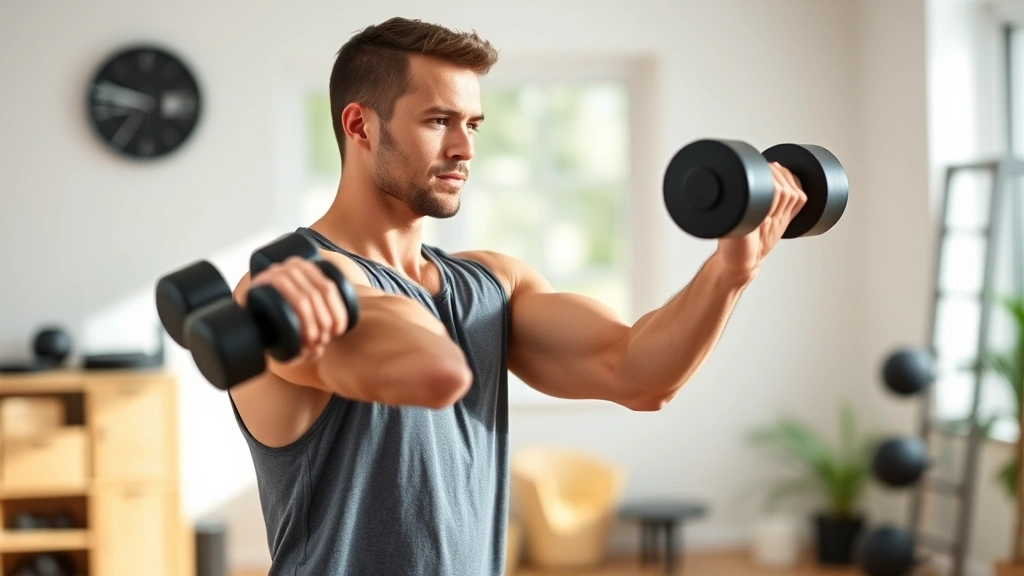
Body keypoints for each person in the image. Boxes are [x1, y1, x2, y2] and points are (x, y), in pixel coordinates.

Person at [229, 16, 807, 576]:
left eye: (473, 125)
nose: (465, 148)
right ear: (360, 126)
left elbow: (636, 374)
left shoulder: (491, 285)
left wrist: (731, 269)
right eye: (438, 121)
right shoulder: (291, 282)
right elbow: (370, 341)